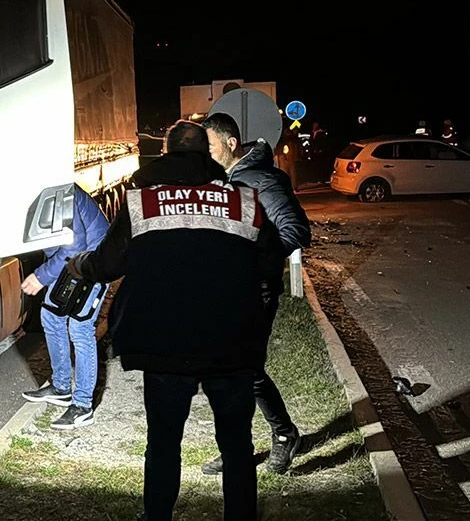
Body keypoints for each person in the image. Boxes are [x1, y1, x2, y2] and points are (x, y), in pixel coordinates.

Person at [67, 120, 277, 521]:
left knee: (163, 442)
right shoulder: (243, 201)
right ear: (207, 155)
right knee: (236, 444)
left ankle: (157, 516)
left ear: (165, 154)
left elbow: (108, 264)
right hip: (230, 342)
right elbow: (268, 263)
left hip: (164, 344)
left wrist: (79, 265)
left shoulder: (142, 202)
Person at [199, 112, 312, 475]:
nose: (205, 154)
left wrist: (254, 261)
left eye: (210, 147)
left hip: (255, 289)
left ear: (231, 144)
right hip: (228, 289)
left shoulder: (262, 180)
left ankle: (284, 434)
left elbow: (296, 230)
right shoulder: (224, 179)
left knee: (243, 369)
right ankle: (239, 446)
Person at [19, 183, 110, 429]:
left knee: (80, 328)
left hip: (93, 260)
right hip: (74, 262)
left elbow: (74, 246)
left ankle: (82, 406)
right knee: (51, 316)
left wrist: (41, 276)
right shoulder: (39, 187)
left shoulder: (55, 189)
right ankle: (60, 388)